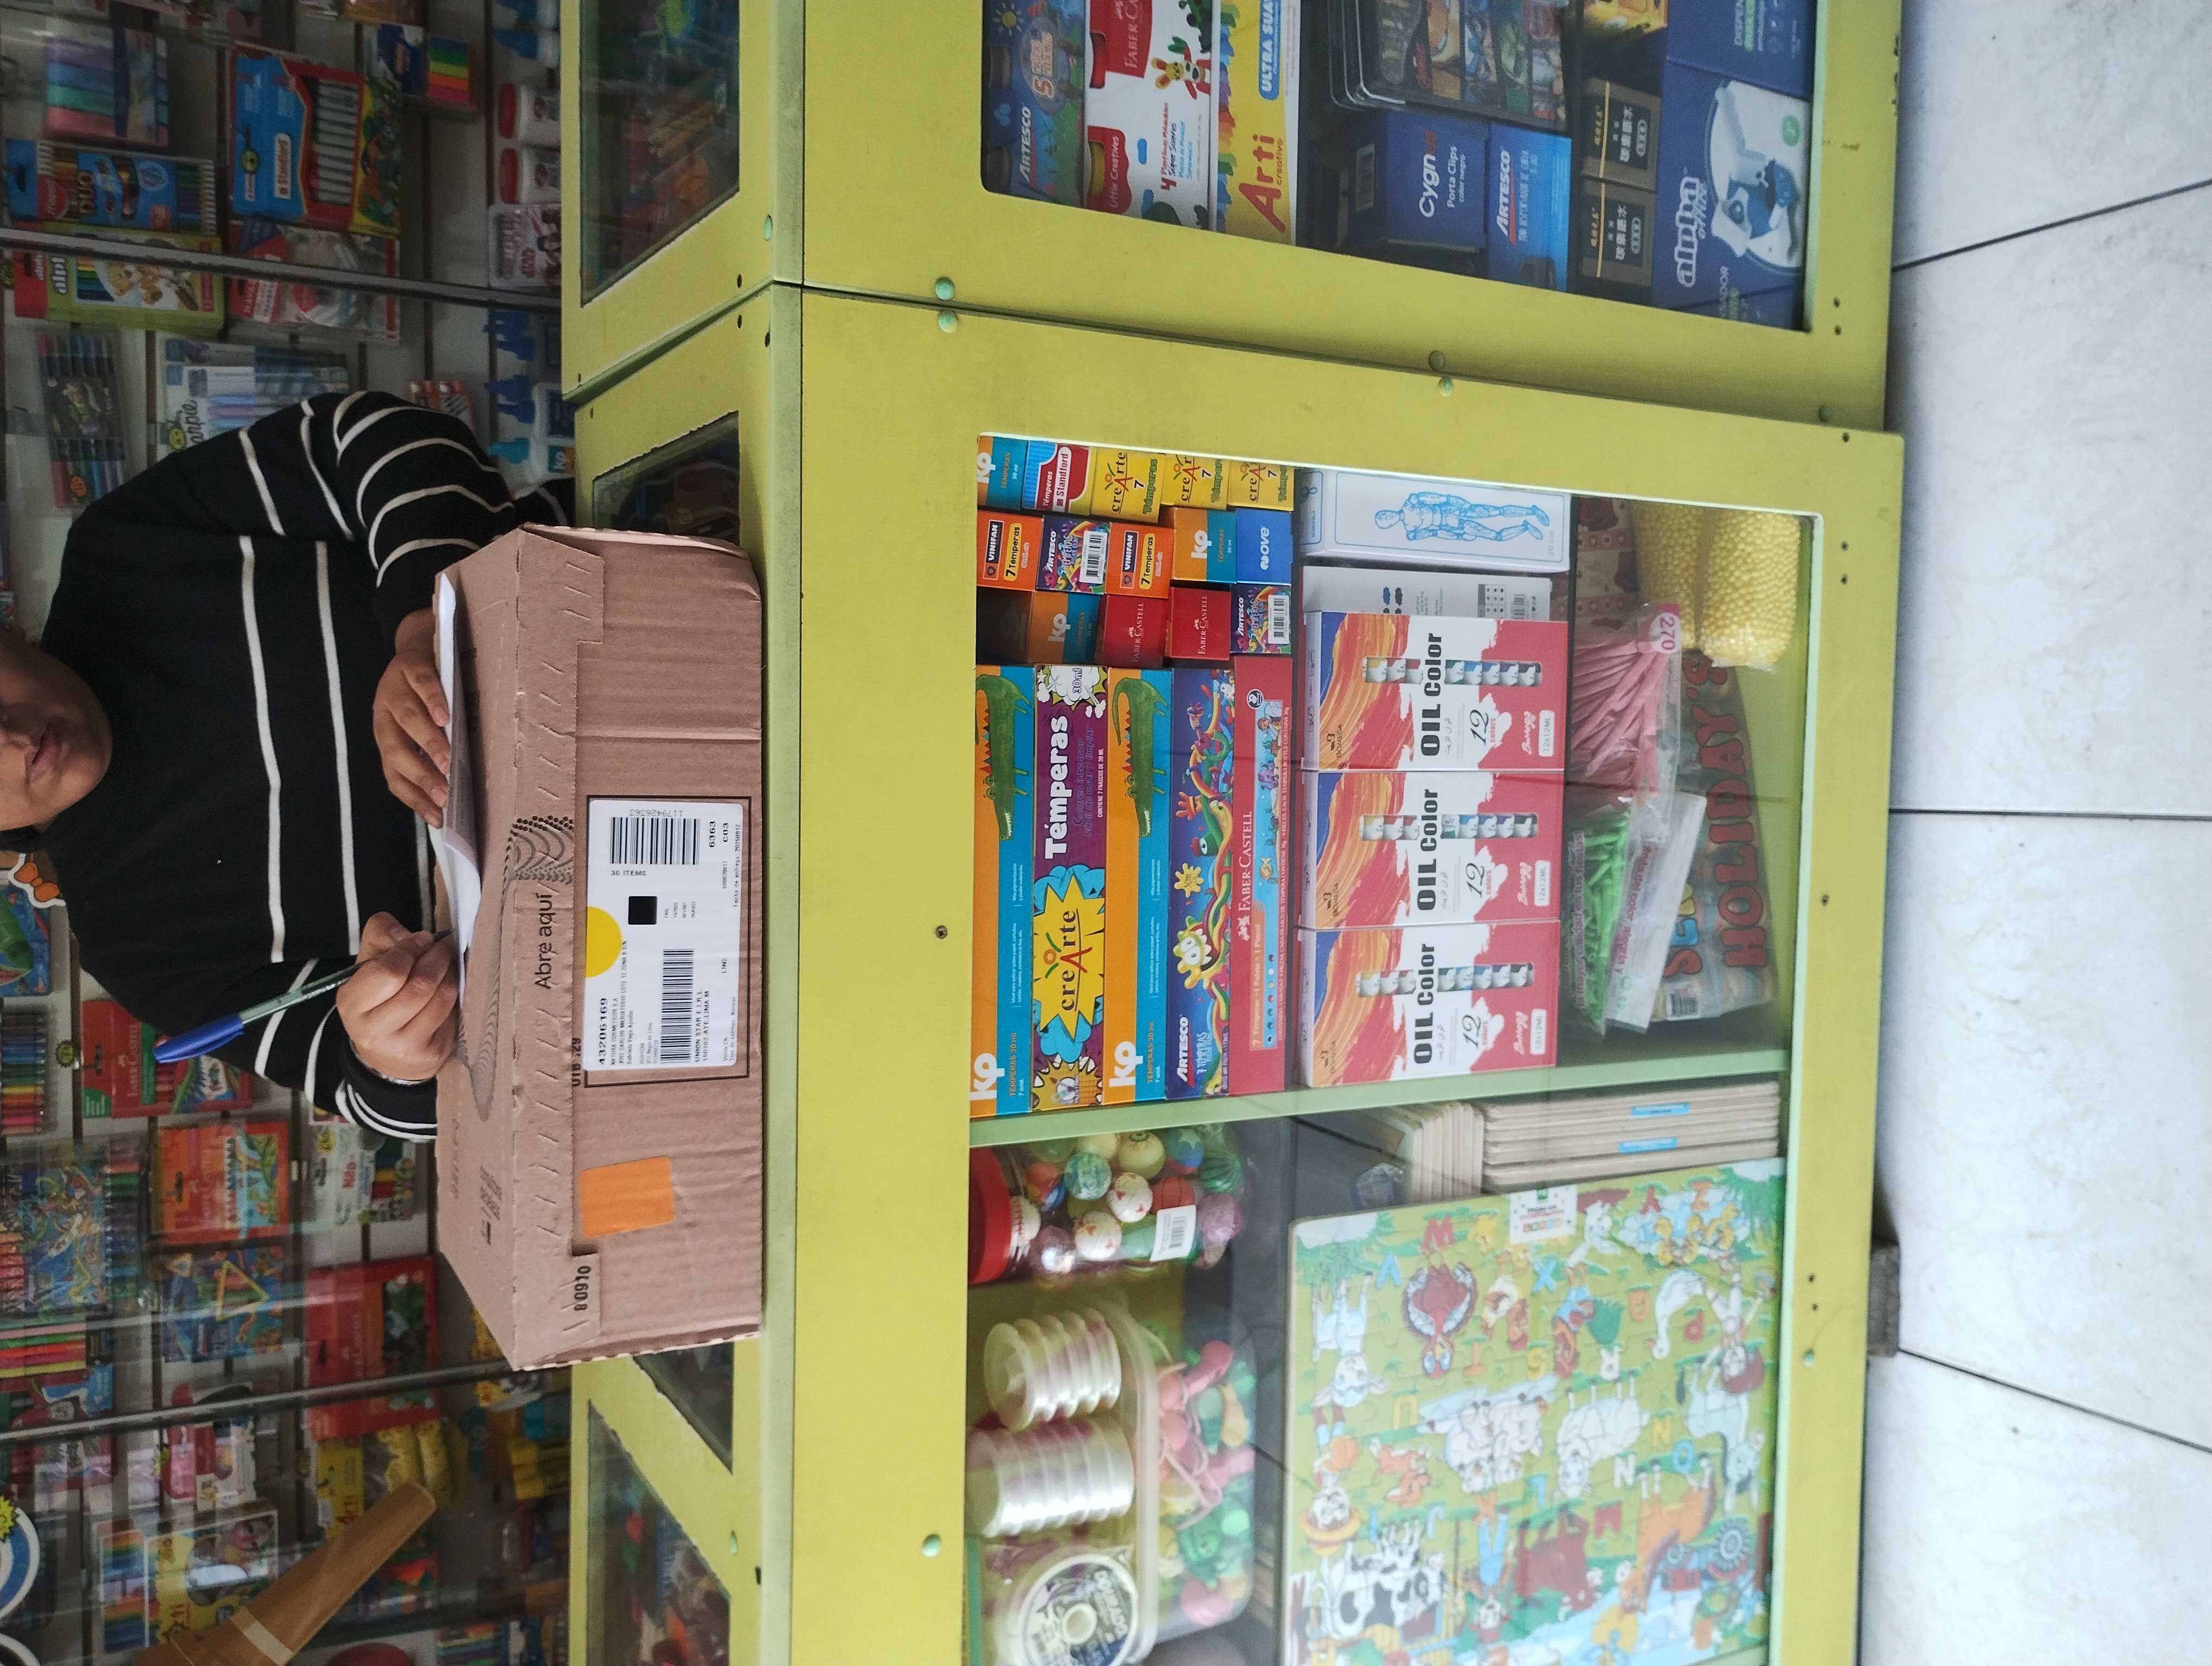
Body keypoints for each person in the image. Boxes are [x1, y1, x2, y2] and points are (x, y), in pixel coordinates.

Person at [0, 391, 568, 1140]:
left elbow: (385, 434)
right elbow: (393, 1108)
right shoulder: (138, 949)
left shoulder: (127, 546)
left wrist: (423, 621)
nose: (9, 741)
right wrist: (390, 1054)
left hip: (650, 596)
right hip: (646, 914)